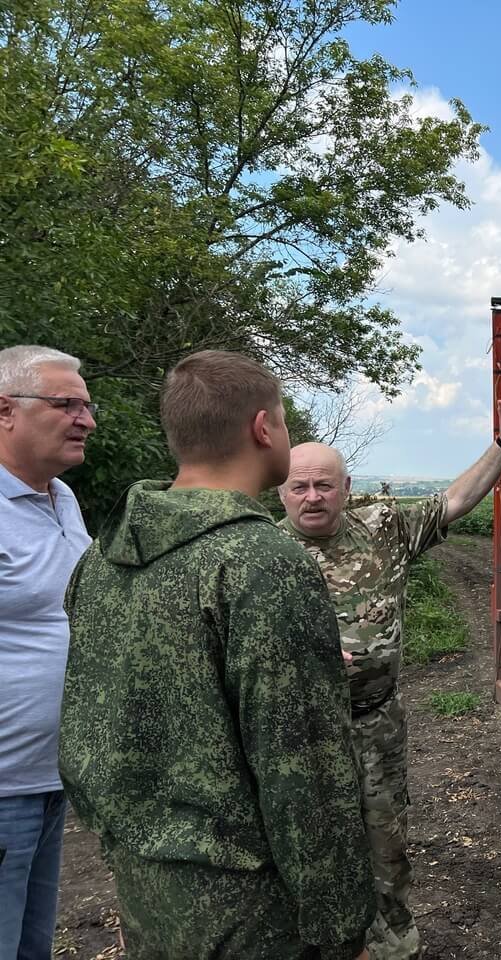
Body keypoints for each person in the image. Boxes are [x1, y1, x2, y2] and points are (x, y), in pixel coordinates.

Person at [59, 350, 375, 960]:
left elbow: (84, 726)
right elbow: (304, 770)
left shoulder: (99, 558)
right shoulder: (262, 565)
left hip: (144, 886)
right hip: (251, 910)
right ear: (263, 428)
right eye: (282, 420)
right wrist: (341, 925)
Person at [279, 389, 501, 960]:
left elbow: (454, 501)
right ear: (280, 489)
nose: (312, 497)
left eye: (324, 484)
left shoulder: (382, 528)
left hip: (375, 726)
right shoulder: (259, 555)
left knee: (386, 839)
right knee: (304, 850)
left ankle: (393, 944)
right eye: (299, 486)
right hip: (296, 737)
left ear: (345, 489)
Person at [0, 346, 95, 960]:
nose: (86, 419)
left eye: (87, 405)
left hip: (49, 779)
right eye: (66, 404)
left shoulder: (62, 498)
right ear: (4, 411)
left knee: (32, 946)